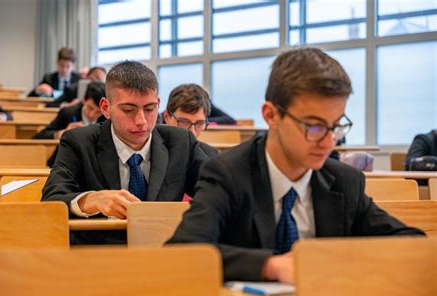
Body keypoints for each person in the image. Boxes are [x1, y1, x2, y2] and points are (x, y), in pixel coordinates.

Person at [168, 48, 425, 283]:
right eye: (313, 126)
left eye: (336, 127)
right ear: (271, 115)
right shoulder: (228, 174)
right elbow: (183, 252)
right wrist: (271, 266)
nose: (327, 142)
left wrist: (343, 262)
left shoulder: (344, 182)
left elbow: (411, 243)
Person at [42, 60, 211, 245]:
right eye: (129, 110)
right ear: (106, 108)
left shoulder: (181, 142)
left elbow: (217, 189)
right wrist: (90, 200)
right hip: (99, 259)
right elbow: (51, 200)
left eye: (149, 109)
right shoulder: (78, 142)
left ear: (158, 104)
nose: (141, 121)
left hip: (164, 253)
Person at [33, 81, 106, 166]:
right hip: (65, 163)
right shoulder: (68, 113)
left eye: (98, 112)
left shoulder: (107, 119)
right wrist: (62, 133)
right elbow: (39, 137)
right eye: (90, 108)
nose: (92, 115)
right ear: (84, 100)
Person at [161, 83, 219, 157]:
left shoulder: (211, 155)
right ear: (167, 117)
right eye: (184, 122)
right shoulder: (152, 152)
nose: (192, 132)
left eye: (199, 123)